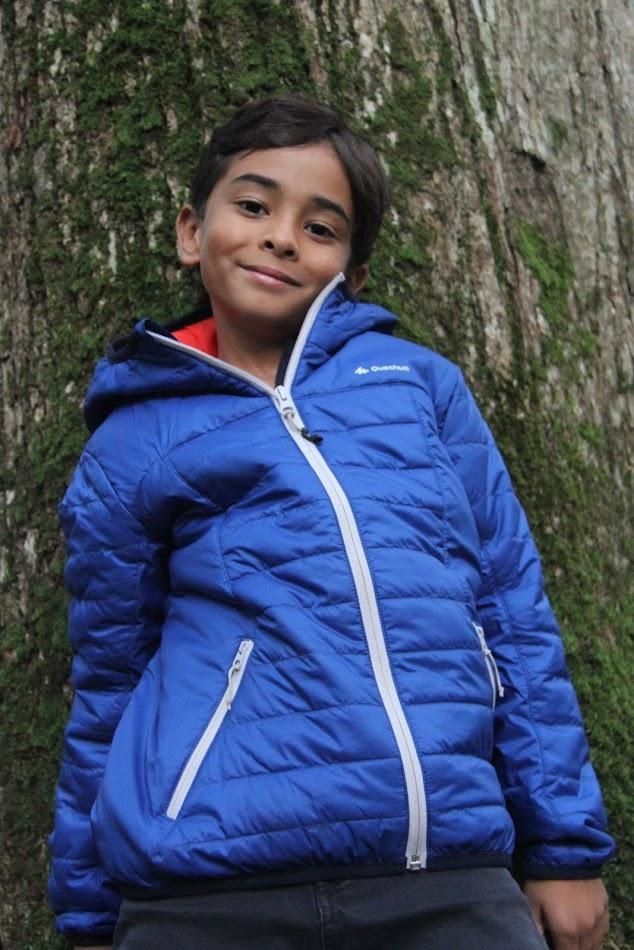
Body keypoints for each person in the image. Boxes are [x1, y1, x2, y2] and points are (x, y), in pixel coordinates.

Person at [49, 95, 614, 949]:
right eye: (253, 206)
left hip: (442, 873)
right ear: (191, 232)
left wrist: (565, 847)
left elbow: (512, 614)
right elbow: (109, 679)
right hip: (205, 888)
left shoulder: (418, 387)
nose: (281, 237)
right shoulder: (135, 436)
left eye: (320, 227)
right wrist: (88, 912)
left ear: (352, 272)